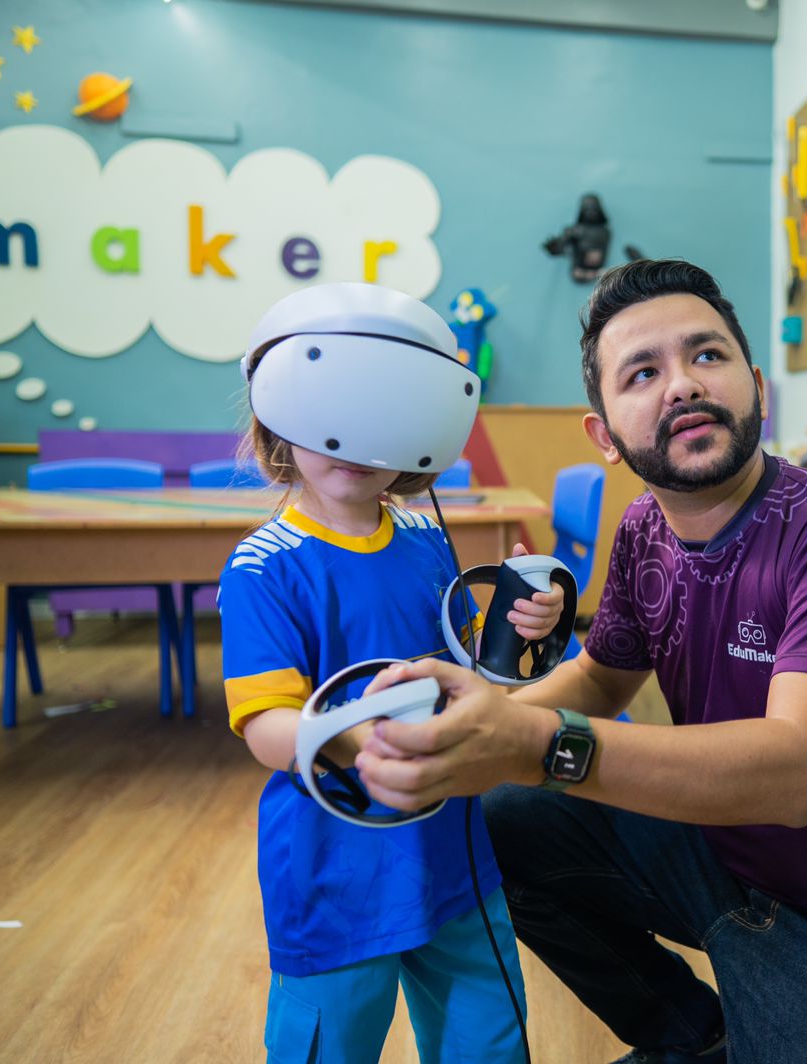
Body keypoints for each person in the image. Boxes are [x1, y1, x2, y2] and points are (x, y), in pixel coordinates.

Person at [356, 260, 807, 1064]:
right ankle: (693, 1037)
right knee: (506, 816)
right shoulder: (646, 528)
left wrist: (531, 743)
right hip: (717, 853)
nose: (681, 384)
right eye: (643, 373)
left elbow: (792, 774)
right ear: (604, 435)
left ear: (755, 386)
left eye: (706, 357)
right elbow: (605, 679)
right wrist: (487, 718)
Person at [219, 282, 565, 1064]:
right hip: (335, 871)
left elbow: (474, 679)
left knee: (488, 1041)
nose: (354, 441)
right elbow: (268, 728)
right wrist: (358, 734)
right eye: (331, 416)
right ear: (280, 417)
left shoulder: (425, 544)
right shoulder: (264, 567)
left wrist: (523, 630)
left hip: (454, 859)